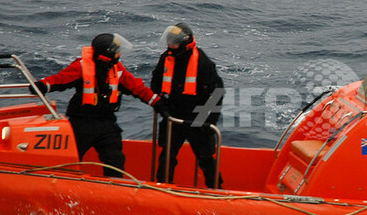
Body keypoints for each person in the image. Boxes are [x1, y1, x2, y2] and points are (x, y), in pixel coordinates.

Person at [33, 33, 167, 177]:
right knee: (71, 159)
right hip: (81, 123)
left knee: (115, 159)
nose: (119, 54)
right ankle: (61, 185)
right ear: (107, 54)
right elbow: (60, 79)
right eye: (116, 51)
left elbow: (137, 88)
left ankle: (114, 190)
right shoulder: (81, 66)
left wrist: (158, 103)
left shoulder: (117, 69)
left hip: (106, 123)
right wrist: (43, 85)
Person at [151, 23, 224, 188]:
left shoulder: (203, 63)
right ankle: (162, 188)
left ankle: (216, 191)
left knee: (205, 158)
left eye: (174, 43)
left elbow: (218, 92)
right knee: (167, 157)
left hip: (197, 119)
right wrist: (162, 108)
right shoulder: (166, 58)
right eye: (169, 42)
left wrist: (208, 120)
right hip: (173, 116)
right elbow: (155, 85)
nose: (170, 46)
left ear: (184, 43)